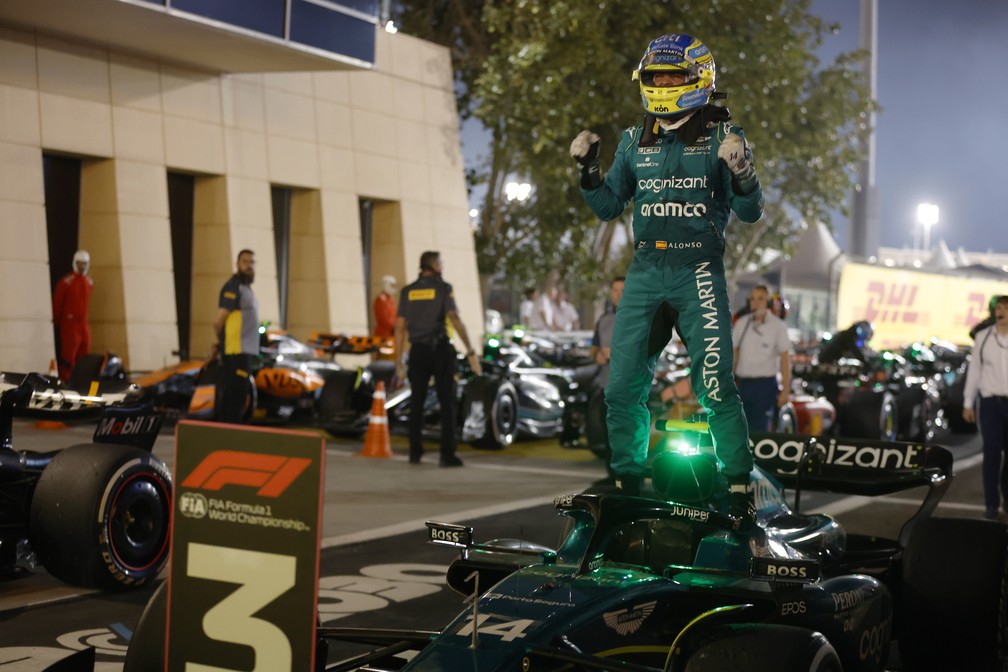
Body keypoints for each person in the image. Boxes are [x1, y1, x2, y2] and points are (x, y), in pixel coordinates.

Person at [570, 33, 764, 524]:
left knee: (715, 387)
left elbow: (751, 211)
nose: (663, 85)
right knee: (620, 390)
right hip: (644, 273)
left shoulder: (726, 137)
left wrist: (743, 171)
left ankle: (739, 485)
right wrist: (588, 172)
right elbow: (609, 206)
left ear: (700, 80)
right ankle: (627, 481)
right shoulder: (635, 140)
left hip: (698, 271)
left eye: (673, 76)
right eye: (656, 77)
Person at [394, 251, 481, 466]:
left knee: (417, 401)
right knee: (446, 402)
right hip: (440, 350)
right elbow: (454, 318)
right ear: (434, 265)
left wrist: (398, 360)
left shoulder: (408, 291)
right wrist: (470, 349)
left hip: (418, 352)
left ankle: (415, 453)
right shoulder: (443, 288)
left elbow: (399, 328)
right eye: (441, 263)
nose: (443, 266)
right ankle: (447, 454)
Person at [962, 295, 1008, 520]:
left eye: (1005, 308)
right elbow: (974, 372)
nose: (1001, 312)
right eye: (998, 308)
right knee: (991, 453)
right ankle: (991, 505)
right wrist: (968, 403)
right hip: (990, 403)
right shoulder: (983, 337)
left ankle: (1007, 500)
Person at [732, 285, 792, 432]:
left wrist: (785, 390)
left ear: (768, 302)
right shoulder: (741, 323)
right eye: (753, 299)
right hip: (743, 385)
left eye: (760, 298)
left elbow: (785, 359)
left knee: (760, 431)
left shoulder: (778, 326)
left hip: (765, 387)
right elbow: (735, 353)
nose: (756, 302)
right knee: (739, 429)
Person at [211, 249, 259, 424]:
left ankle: (230, 429)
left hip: (245, 350)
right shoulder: (234, 286)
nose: (249, 266)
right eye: (245, 262)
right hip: (236, 351)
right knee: (234, 395)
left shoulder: (246, 288)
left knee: (238, 394)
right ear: (237, 264)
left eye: (252, 262)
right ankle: (229, 431)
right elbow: (218, 322)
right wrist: (222, 342)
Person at [52, 249, 94, 381]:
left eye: (84, 264)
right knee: (68, 356)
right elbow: (57, 304)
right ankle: (66, 381)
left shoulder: (89, 282)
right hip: (70, 325)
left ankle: (81, 381)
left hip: (83, 323)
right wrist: (57, 321)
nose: (82, 266)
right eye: (80, 263)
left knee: (84, 353)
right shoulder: (66, 282)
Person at [373, 275, 398, 339]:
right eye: (392, 286)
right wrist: (395, 326)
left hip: (392, 334)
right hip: (383, 334)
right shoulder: (381, 300)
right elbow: (384, 318)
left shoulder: (390, 300)